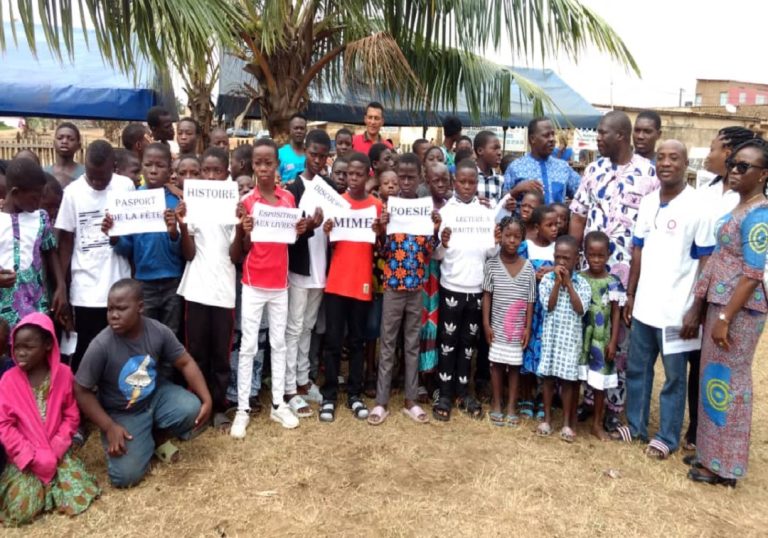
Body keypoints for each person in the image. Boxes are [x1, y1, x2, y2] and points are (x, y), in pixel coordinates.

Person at [683, 138, 768, 487]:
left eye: (743, 167)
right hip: (721, 306)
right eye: (733, 164)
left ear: (763, 174)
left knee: (730, 385)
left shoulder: (759, 215)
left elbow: (752, 274)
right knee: (713, 380)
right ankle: (710, 453)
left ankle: (725, 467)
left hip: (739, 312)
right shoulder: (740, 206)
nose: (734, 171)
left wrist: (724, 318)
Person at [569, 110, 658, 432]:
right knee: (588, 335)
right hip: (590, 274)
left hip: (627, 276)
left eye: (602, 133)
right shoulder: (593, 170)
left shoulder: (649, 174)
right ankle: (587, 400)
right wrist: (573, 261)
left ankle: (613, 406)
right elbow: (578, 215)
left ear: (621, 135)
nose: (598, 138)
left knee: (619, 343)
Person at [74, 279, 212, 488]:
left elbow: (185, 362)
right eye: (110, 309)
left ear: (140, 307)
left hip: (154, 396)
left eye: (121, 309)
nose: (113, 315)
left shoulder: (158, 331)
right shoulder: (101, 345)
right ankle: (145, 437)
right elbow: (81, 390)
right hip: (122, 412)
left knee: (191, 408)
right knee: (125, 477)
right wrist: (109, 427)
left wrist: (207, 399)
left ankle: (154, 434)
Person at [624, 140, 714, 458]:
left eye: (673, 158)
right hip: (645, 307)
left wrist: (697, 308)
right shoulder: (648, 202)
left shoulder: (698, 206)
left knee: (675, 378)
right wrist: (631, 294)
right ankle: (635, 426)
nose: (665, 163)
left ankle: (667, 436)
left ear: (686, 164)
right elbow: (638, 250)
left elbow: (706, 261)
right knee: (638, 370)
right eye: (660, 157)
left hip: (678, 311)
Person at [230, 138, 307, 437]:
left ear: (277, 164)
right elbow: (242, 249)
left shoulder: (287, 199)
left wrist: (299, 229)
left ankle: (278, 403)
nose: (263, 168)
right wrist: (243, 230)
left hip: (279, 284)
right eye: (258, 163)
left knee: (279, 343)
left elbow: (290, 238)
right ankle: (242, 409)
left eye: (268, 163)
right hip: (253, 282)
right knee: (248, 345)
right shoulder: (247, 202)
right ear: (252, 165)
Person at [0, 313, 99, 525]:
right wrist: (29, 455)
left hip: (57, 452)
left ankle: (51, 491)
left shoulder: (63, 374)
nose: (20, 353)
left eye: (28, 347)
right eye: (17, 347)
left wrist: (55, 448)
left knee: (78, 496)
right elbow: (4, 425)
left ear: (47, 344)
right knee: (21, 510)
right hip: (25, 458)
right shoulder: (8, 381)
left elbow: (71, 416)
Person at [367, 154, 440, 426]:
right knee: (387, 343)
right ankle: (381, 402)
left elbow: (428, 252)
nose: (406, 182)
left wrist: (435, 229)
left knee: (412, 343)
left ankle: (411, 400)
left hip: (416, 286)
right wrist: (381, 229)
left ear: (419, 178)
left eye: (411, 178)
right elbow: (383, 250)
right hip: (393, 286)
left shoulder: (424, 209)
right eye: (402, 178)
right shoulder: (390, 209)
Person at [55, 141, 134, 372]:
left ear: (114, 167)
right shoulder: (73, 193)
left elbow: (134, 236)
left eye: (103, 178)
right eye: (92, 177)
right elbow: (66, 243)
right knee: (88, 351)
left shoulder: (126, 187)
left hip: (119, 285)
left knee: (120, 350)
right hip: (86, 290)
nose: (97, 183)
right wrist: (62, 286)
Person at [176, 147, 237, 431]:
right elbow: (188, 254)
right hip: (197, 288)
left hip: (223, 289)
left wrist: (241, 225)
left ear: (227, 173)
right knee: (196, 350)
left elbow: (237, 255)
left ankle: (219, 406)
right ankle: (199, 405)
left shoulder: (233, 204)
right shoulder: (192, 204)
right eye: (206, 171)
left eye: (217, 171)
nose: (211, 176)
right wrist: (183, 224)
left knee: (221, 354)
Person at [319, 152, 382, 422]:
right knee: (333, 341)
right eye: (349, 174)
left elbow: (381, 246)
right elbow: (329, 243)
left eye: (358, 174)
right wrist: (327, 231)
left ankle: (355, 394)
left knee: (357, 341)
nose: (353, 179)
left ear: (368, 175)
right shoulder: (336, 203)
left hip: (362, 282)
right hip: (336, 282)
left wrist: (380, 232)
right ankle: (330, 395)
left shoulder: (376, 206)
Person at [431, 159, 496, 421]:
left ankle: (463, 391)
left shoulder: (485, 213)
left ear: (477, 183)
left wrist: (496, 242)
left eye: (472, 182)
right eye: (462, 182)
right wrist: (443, 242)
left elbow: (490, 252)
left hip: (477, 289)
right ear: (454, 182)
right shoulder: (446, 212)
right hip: (451, 287)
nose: (467, 187)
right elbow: (436, 255)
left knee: (468, 344)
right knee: (448, 343)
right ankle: (444, 393)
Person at [103, 143, 185, 337]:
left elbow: (185, 251)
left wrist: (173, 234)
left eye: (160, 165)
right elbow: (127, 248)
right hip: (144, 283)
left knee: (170, 334)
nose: (153, 170)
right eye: (148, 165)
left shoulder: (177, 202)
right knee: (145, 335)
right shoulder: (131, 201)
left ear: (169, 170)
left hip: (173, 281)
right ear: (142, 167)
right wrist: (114, 237)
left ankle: (167, 360)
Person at [284, 130, 333, 412]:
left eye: (322, 156)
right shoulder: (293, 189)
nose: (317, 160)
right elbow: (288, 232)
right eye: (313, 154)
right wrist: (309, 227)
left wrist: (330, 227)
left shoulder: (329, 188)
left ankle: (303, 379)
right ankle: (289, 386)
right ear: (305, 152)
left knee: (308, 326)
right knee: (294, 327)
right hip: (300, 268)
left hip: (321, 269)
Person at [536, 235, 591, 441]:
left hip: (570, 340)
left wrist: (568, 284)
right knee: (548, 379)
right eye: (558, 257)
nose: (561, 262)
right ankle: (547, 419)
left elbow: (580, 309)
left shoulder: (582, 284)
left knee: (568, 381)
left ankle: (567, 423)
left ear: (576, 259)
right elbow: (548, 306)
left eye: (566, 258)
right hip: (551, 337)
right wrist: (557, 284)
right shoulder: (547, 280)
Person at [0, 159, 67, 330]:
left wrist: (60, 286)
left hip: (35, 306)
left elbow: (50, 252)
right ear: (15, 192)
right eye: (34, 198)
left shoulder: (41, 218)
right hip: (2, 311)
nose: (38, 203)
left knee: (34, 344)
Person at [482, 216, 535, 426]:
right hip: (497, 327)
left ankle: (512, 405)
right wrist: (486, 324)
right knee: (496, 364)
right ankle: (497, 403)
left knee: (514, 367)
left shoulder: (528, 267)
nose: (512, 240)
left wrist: (528, 327)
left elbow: (530, 300)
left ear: (522, 239)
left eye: (516, 237)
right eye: (507, 235)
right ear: (500, 236)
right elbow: (487, 296)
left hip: (517, 330)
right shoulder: (492, 265)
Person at [578, 231, 624, 440]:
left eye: (601, 255)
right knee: (577, 376)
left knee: (599, 381)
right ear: (585, 254)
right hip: (580, 336)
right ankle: (571, 419)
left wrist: (613, 341)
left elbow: (616, 314)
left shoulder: (613, 282)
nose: (596, 260)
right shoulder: (580, 278)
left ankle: (597, 424)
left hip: (602, 338)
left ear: (608, 255)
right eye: (592, 255)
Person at [519, 205, 557, 420]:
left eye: (557, 225)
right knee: (527, 350)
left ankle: (544, 398)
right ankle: (526, 395)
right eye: (549, 225)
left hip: (550, 312)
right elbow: (516, 270)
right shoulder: (526, 247)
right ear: (536, 227)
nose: (554, 229)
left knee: (546, 352)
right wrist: (533, 275)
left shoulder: (558, 249)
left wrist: (553, 271)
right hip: (530, 309)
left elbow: (569, 270)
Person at [419, 163, 450, 392]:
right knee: (423, 321)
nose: (440, 184)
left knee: (440, 324)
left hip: (446, 272)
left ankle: (435, 374)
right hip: (424, 272)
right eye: (435, 180)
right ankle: (420, 375)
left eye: (444, 180)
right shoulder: (420, 207)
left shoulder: (452, 208)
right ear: (427, 180)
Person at [503, 118, 581, 206]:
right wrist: (517, 189)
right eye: (546, 135)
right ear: (532, 139)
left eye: (553, 134)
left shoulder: (563, 167)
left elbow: (583, 194)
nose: (552, 139)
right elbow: (502, 201)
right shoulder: (515, 167)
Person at [44, 122, 85, 187]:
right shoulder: (43, 172)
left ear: (78, 145)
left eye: (71, 139)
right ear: (53, 143)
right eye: (60, 138)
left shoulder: (85, 174)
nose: (64, 141)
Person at [473, 131, 504, 204]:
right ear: (480, 151)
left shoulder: (500, 181)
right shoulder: (468, 177)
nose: (499, 153)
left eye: (499, 149)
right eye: (495, 148)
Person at [278, 114, 308, 182]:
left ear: (306, 130)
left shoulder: (311, 154)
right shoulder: (280, 154)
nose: (299, 131)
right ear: (289, 130)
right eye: (296, 128)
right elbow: (275, 181)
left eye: (302, 128)